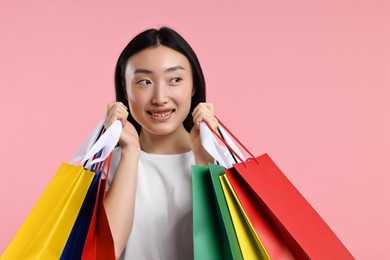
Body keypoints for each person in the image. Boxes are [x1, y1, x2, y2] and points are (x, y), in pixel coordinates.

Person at [103, 26, 218, 259]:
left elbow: (228, 248)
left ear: (193, 85)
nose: (160, 98)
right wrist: (131, 152)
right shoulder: (105, 167)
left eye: (175, 79)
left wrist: (207, 163)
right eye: (144, 82)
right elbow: (105, 251)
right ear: (124, 90)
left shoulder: (225, 163)